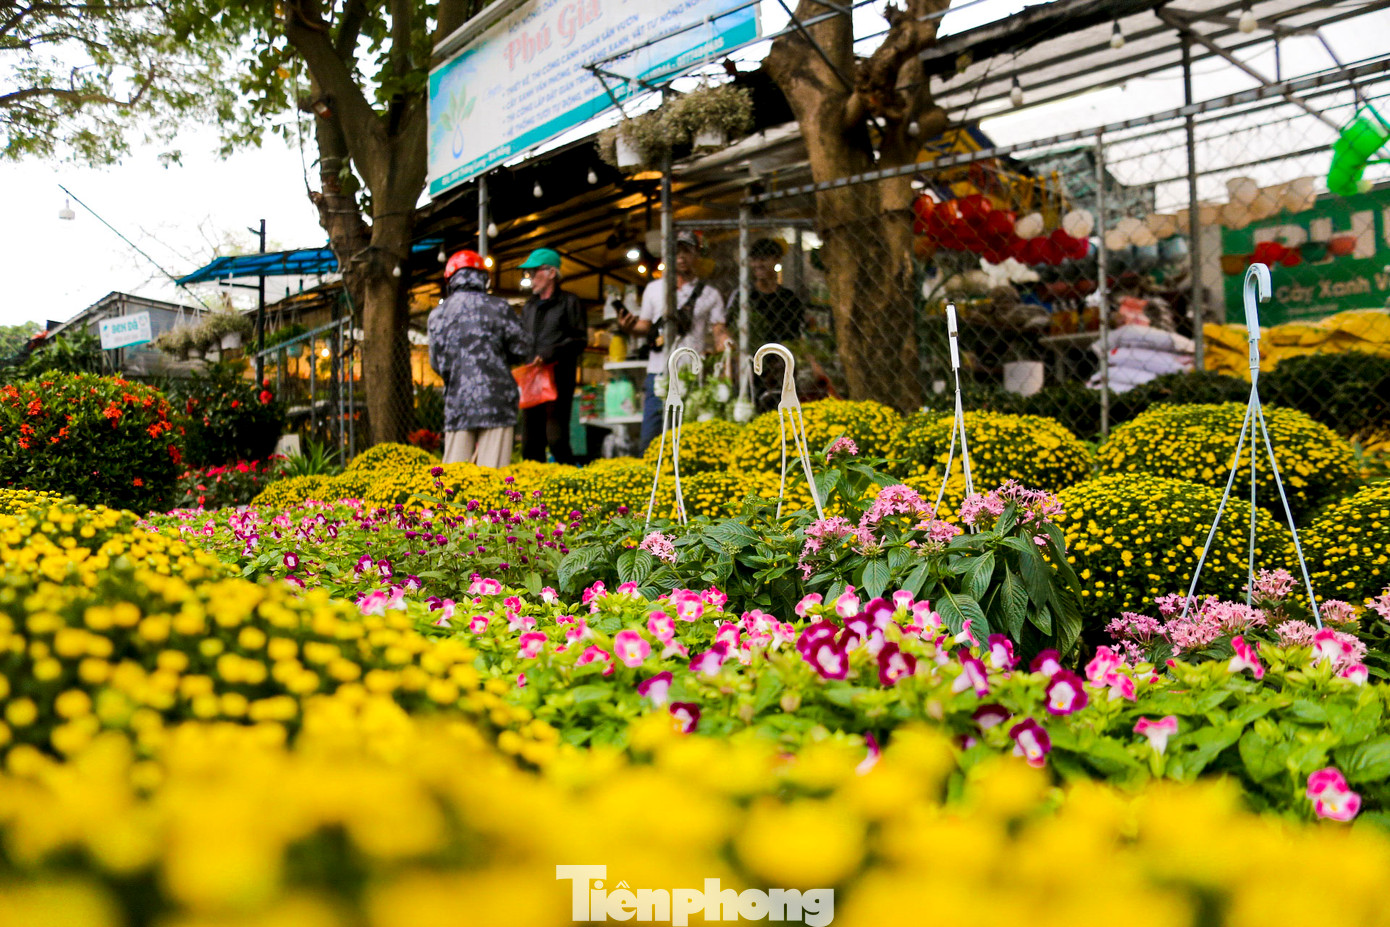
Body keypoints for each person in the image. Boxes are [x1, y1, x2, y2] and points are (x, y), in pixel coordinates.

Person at [617, 230, 727, 452]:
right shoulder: (653, 289)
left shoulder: (709, 293)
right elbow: (644, 327)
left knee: (689, 439)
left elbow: (719, 330)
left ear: (696, 254)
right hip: (659, 373)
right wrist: (628, 326)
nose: (681, 256)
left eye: (687, 250)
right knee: (650, 439)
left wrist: (725, 350)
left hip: (693, 373)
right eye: (676, 251)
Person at [427, 249, 531, 468]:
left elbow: (436, 362)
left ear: (450, 279)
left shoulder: (438, 315)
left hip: (458, 403)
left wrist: (457, 375)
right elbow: (522, 349)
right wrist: (498, 359)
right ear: (484, 278)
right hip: (498, 403)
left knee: (451, 482)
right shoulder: (500, 308)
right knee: (493, 478)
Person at [518, 247, 587, 464]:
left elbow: (579, 341)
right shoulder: (529, 307)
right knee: (530, 444)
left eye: (534, 271)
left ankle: (569, 485)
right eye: (528, 273)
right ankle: (533, 492)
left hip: (558, 380)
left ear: (551, 273)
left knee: (556, 438)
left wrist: (550, 353)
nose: (530, 278)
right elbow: (522, 339)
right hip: (532, 380)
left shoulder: (569, 302)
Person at [729, 237, 805, 346]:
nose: (757, 264)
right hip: (751, 357)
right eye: (754, 260)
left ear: (777, 260)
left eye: (763, 259)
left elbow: (796, 335)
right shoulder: (744, 295)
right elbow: (730, 328)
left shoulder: (789, 298)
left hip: (783, 356)